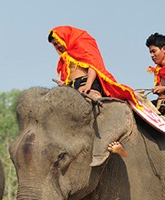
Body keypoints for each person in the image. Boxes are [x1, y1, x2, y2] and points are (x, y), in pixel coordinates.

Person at [48, 26, 133, 157]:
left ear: (65, 37)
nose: (57, 45)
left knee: (96, 103)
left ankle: (115, 141)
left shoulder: (82, 44)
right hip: (72, 88)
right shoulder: (65, 58)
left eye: (58, 41)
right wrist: (64, 85)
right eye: (54, 44)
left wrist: (88, 85)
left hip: (87, 83)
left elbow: (93, 65)